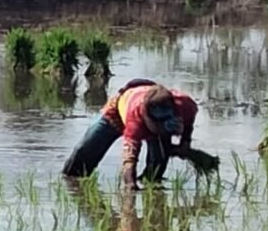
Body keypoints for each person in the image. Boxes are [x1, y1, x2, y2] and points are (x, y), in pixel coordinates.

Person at [62, 78, 198, 189]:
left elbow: (188, 123)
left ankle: (151, 187)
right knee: (85, 153)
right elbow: (129, 158)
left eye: (163, 123)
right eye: (156, 124)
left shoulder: (185, 106)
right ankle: (70, 183)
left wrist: (185, 142)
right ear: (147, 118)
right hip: (117, 112)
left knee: (157, 165)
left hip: (149, 95)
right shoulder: (135, 120)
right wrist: (130, 184)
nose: (159, 128)